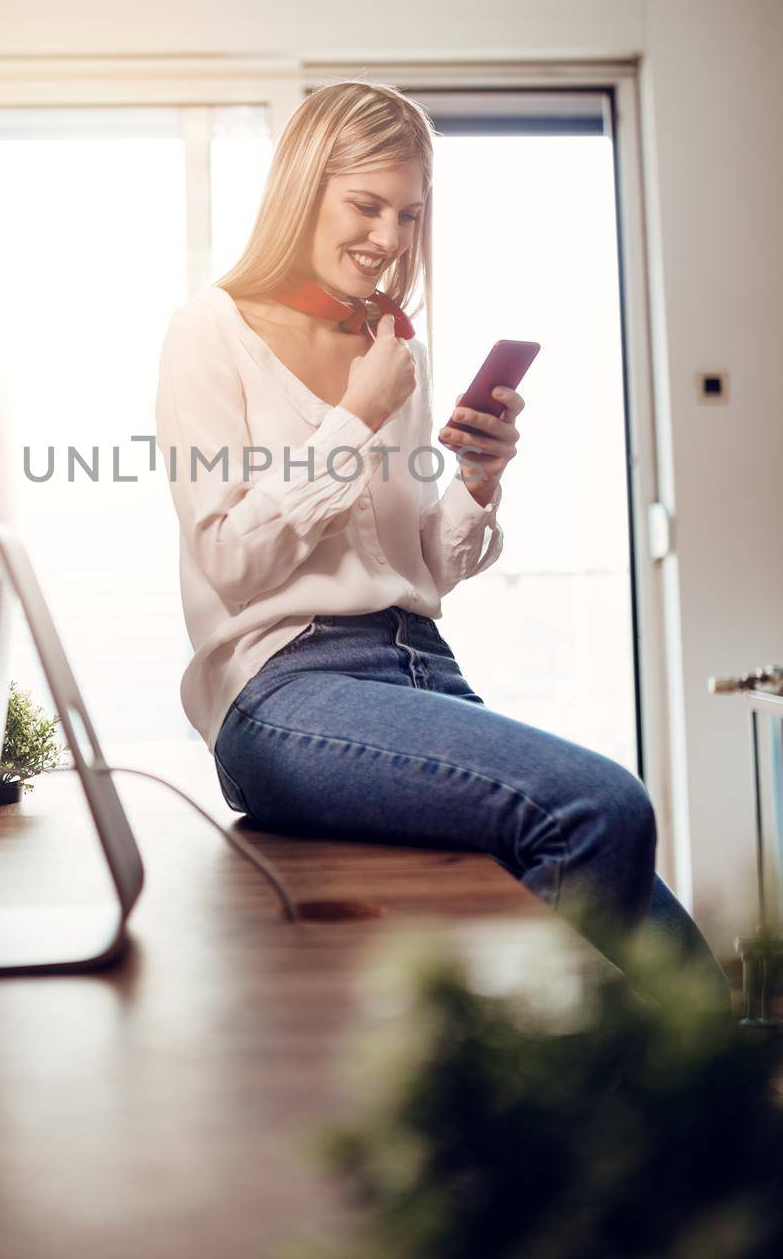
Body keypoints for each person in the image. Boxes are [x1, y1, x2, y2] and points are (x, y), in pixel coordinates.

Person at [154, 79, 729, 1006]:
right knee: (598, 806)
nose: (387, 239)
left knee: (692, 984)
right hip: (282, 687)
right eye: (365, 206)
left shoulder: (388, 346)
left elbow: (416, 566)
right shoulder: (209, 334)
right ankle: (515, 1099)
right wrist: (354, 415)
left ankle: (685, 1132)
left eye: (407, 215)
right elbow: (226, 559)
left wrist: (477, 482)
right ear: (304, 191)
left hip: (418, 665)